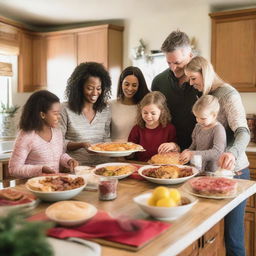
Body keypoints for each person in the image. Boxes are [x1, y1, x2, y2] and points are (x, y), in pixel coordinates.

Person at [184, 56, 250, 256]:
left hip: (233, 172)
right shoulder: (205, 95)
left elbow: (243, 131)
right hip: (209, 175)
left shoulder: (228, 94)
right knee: (207, 234)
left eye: (193, 78)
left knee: (233, 238)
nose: (190, 83)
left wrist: (232, 152)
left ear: (205, 72)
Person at [9, 90, 78, 178]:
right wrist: (40, 169)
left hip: (53, 186)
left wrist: (68, 160)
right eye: (55, 114)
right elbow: (14, 169)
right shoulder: (26, 136)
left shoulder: (57, 132)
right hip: (33, 187)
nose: (59, 117)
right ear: (42, 115)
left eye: (59, 113)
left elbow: (58, 155)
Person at [151, 30, 200, 150]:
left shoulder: (202, 82)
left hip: (199, 151)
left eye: (178, 63)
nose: (173, 68)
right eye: (169, 63)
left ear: (190, 56)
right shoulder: (158, 82)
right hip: (167, 150)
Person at [59, 62, 112, 164]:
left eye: (98, 88)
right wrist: (81, 144)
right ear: (79, 88)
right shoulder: (65, 109)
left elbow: (106, 139)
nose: (95, 93)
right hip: (75, 169)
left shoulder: (105, 110)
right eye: (90, 88)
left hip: (102, 168)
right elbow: (58, 142)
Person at [180, 95, 226, 173]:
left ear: (214, 115)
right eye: (196, 117)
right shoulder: (198, 126)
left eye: (203, 118)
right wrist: (188, 151)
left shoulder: (218, 129)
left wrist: (192, 153)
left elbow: (217, 152)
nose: (199, 121)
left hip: (213, 171)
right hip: (196, 169)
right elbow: (194, 145)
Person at [128, 91, 179, 162]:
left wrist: (173, 145)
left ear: (161, 112)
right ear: (140, 111)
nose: (148, 116)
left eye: (153, 113)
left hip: (162, 166)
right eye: (145, 112)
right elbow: (129, 152)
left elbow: (176, 150)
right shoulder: (137, 129)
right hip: (141, 165)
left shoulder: (169, 128)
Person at [110, 66, 150, 142]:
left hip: (137, 151)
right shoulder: (110, 105)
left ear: (139, 86)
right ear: (121, 83)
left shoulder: (144, 107)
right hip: (114, 150)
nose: (130, 88)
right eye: (126, 84)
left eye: (134, 85)